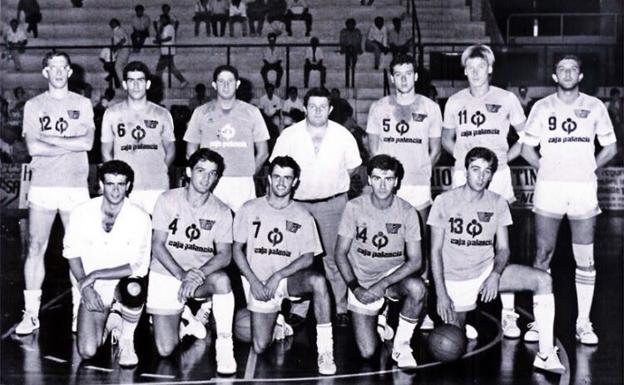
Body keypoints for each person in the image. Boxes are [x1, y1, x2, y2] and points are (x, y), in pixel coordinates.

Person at [428, 146, 565, 374]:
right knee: (452, 343)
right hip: (456, 280)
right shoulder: (444, 201)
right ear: (466, 171)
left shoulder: (498, 203)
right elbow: (434, 252)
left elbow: (503, 250)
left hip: (485, 273)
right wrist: (441, 294)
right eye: (475, 169)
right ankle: (463, 320)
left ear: (492, 174)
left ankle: (546, 354)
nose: (481, 176)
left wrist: (495, 274)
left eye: (487, 171)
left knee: (543, 280)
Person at [520, 55, 617, 345]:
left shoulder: (595, 106)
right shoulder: (542, 106)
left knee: (585, 259)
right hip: (550, 188)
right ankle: (539, 322)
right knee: (542, 255)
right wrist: (547, 168)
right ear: (554, 76)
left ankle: (583, 323)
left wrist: (590, 167)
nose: (567, 73)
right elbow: (526, 149)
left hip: (582, 189)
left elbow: (611, 147)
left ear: (581, 75)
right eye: (562, 69)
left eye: (573, 69)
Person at [441, 44, 527, 338]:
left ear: (490, 68)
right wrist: (465, 164)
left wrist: (503, 160)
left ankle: (509, 313)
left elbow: (527, 137)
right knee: (462, 237)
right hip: (465, 175)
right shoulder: (454, 101)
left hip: (498, 175)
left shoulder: (507, 98)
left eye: (481, 67)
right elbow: (445, 140)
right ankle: (460, 307)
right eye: (470, 67)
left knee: (501, 241)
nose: (475, 72)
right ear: (464, 70)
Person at [233, 156, 337, 375]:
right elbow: (236, 251)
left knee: (318, 281)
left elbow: (308, 257)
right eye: (277, 177)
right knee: (260, 346)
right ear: (269, 178)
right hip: (257, 281)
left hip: (287, 279)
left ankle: (325, 351)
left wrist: (278, 275)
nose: (281, 183)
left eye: (287, 178)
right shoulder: (249, 208)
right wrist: (254, 282)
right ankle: (278, 324)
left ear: (295, 182)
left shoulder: (302, 215)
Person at [17, 51, 95, 336]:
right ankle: (31, 313)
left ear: (70, 72)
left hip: (75, 185)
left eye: (63, 67)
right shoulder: (34, 105)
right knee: (36, 247)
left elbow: (87, 143)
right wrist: (68, 143)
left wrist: (49, 139)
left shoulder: (83, 103)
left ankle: (79, 312)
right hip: (44, 184)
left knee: (79, 250)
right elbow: (33, 148)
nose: (59, 71)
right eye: (53, 67)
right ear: (45, 73)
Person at [271, 87, 362, 328]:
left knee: (335, 258)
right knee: (299, 258)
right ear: (304, 108)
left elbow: (353, 168)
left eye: (323, 107)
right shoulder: (289, 135)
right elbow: (276, 167)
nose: (318, 111)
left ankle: (340, 307)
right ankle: (299, 307)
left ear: (331, 109)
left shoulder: (344, 135)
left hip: (333, 204)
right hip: (298, 206)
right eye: (313, 106)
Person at [148, 148, 237, 374]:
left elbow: (225, 254)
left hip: (200, 278)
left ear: (217, 177)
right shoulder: (167, 200)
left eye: (212, 173)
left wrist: (196, 274)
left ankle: (225, 346)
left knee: (223, 282)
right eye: (200, 171)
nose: (206, 178)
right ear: (188, 171)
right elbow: (157, 244)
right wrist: (181, 275)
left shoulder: (222, 211)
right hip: (167, 273)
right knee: (165, 349)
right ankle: (187, 317)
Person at [335, 154, 426, 368]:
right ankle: (380, 318)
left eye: (388, 179)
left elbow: (416, 261)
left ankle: (402, 345)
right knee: (368, 352)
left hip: (392, 278)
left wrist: (382, 284)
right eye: (377, 178)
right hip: (362, 279)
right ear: (369, 180)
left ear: (396, 181)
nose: (382, 184)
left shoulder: (407, 212)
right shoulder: (354, 207)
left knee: (417, 288)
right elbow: (340, 253)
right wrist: (355, 287)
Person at [65, 160, 151, 367]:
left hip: (122, 285)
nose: (115, 190)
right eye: (110, 183)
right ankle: (111, 321)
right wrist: (86, 287)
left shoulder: (140, 217)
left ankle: (126, 339)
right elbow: (71, 254)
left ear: (129, 185)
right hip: (88, 285)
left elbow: (138, 266)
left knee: (134, 286)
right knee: (87, 351)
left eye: (121, 184)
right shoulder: (81, 212)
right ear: (101, 184)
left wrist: (95, 274)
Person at [366, 53, 441, 229]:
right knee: (389, 237)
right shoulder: (378, 107)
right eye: (398, 75)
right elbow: (374, 149)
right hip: (388, 183)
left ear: (415, 76)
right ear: (392, 78)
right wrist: (384, 177)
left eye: (408, 74)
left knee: (419, 240)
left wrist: (421, 170)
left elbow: (436, 150)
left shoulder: (431, 108)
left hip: (418, 183)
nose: (404, 79)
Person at [184, 64, 270, 212]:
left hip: (242, 182)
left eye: (229, 81)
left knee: (242, 230)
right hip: (212, 181)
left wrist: (249, 173)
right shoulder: (201, 112)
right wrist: (204, 175)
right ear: (214, 85)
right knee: (210, 227)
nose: (225, 85)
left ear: (237, 84)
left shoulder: (252, 112)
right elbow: (190, 151)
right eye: (221, 81)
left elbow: (263, 152)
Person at [101, 61, 176, 215]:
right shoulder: (112, 113)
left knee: (157, 236)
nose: (136, 86)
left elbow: (171, 151)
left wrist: (158, 170)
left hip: (156, 186)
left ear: (147, 84)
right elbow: (106, 152)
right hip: (126, 188)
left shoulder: (162, 114)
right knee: (126, 235)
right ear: (124, 84)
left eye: (140, 81)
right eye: (131, 81)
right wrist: (117, 180)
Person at [154, 14, 188, 88]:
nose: (162, 21)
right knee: (171, 68)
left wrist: (160, 40)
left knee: (160, 68)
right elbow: (160, 37)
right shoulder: (163, 28)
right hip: (164, 51)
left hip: (168, 51)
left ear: (167, 19)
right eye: (161, 20)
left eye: (163, 19)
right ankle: (183, 80)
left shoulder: (170, 27)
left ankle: (157, 84)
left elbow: (169, 38)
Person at [339, 18, 362, 88]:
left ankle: (353, 66)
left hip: (354, 49)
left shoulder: (357, 31)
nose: (350, 26)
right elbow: (342, 42)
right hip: (346, 49)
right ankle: (349, 67)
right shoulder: (343, 31)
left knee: (352, 51)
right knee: (349, 51)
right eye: (349, 24)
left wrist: (355, 47)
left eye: (352, 24)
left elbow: (358, 41)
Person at [109, 18, 130, 90]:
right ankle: (126, 83)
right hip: (122, 50)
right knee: (123, 67)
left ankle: (123, 83)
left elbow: (123, 40)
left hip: (123, 50)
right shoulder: (116, 31)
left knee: (117, 67)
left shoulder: (119, 30)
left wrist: (116, 47)